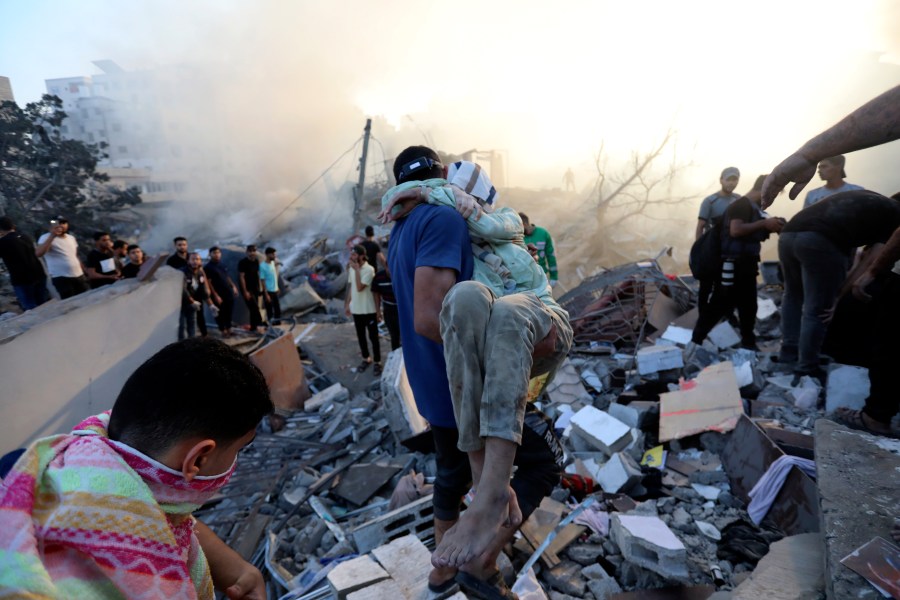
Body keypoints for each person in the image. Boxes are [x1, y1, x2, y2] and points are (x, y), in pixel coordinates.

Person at [381, 147, 569, 598]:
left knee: (451, 474)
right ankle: (481, 558)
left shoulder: (401, 227)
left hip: (432, 383)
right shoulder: (443, 221)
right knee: (546, 462)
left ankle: (442, 572)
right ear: (443, 175)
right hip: (462, 383)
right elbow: (431, 317)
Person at [0, 338, 272, 599]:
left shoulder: (32, 471)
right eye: (239, 449)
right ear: (198, 459)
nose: (235, 462)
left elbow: (164, 516)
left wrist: (237, 571)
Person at [777, 190, 900, 380]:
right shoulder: (895, 217)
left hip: (789, 234)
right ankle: (807, 368)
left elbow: (857, 254)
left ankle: (788, 356)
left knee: (793, 296)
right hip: (820, 240)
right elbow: (872, 263)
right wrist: (839, 297)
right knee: (818, 308)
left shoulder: (871, 202)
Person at [689, 176, 785, 350]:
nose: (773, 198)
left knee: (748, 306)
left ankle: (749, 344)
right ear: (766, 189)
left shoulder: (753, 207)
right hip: (733, 266)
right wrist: (764, 223)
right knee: (719, 304)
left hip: (746, 265)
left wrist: (771, 225)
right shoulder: (741, 205)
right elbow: (736, 230)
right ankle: (695, 342)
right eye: (774, 193)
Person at [344, 244, 381, 375]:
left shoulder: (369, 269)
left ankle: (377, 362)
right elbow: (352, 287)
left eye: (354, 255)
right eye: (351, 254)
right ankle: (366, 358)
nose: (351, 257)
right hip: (357, 309)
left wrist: (357, 270)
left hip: (369, 309)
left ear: (361, 256)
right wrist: (347, 304)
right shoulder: (352, 269)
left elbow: (360, 287)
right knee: (361, 337)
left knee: (373, 337)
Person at [0, 216, 50, 310]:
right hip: (38, 274)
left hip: (22, 280)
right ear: (12, 225)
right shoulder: (25, 237)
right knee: (43, 304)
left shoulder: (3, 242)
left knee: (30, 308)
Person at [36, 216, 89, 299]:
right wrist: (52, 236)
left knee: (86, 298)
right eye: (58, 223)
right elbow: (39, 253)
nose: (61, 226)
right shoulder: (45, 237)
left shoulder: (71, 238)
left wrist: (84, 270)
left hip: (78, 275)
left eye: (63, 223)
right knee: (71, 301)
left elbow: (74, 255)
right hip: (61, 277)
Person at [180, 252, 215, 340]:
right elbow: (182, 289)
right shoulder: (183, 272)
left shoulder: (200, 273)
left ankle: (192, 345)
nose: (195, 261)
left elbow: (203, 290)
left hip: (193, 304)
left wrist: (211, 305)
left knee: (192, 325)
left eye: (197, 259)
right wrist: (192, 301)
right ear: (188, 261)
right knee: (182, 327)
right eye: (193, 259)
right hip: (182, 304)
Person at [206, 246, 239, 336]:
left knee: (229, 310)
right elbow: (208, 283)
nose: (216, 255)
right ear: (210, 254)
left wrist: (233, 286)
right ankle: (222, 330)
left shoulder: (222, 264)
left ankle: (229, 329)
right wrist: (215, 295)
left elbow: (227, 276)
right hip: (217, 293)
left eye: (218, 253)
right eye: (214, 253)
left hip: (227, 291)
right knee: (220, 313)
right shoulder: (208, 267)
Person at [520, 212, 559, 287]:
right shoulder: (519, 238)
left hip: (543, 276)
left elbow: (551, 255)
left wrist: (554, 276)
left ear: (524, 224)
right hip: (527, 280)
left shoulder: (543, 233)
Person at [372, 267, 401, 350]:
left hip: (402, 309)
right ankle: (395, 354)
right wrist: (378, 311)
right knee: (394, 335)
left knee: (406, 335)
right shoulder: (379, 277)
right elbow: (376, 293)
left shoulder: (401, 274)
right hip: (389, 309)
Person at [238, 245, 265, 332]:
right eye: (250, 251)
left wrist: (260, 288)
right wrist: (245, 291)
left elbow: (257, 274)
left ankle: (253, 327)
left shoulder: (256, 261)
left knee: (253, 309)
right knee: (254, 307)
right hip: (247, 289)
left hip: (255, 288)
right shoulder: (242, 262)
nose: (252, 253)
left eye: (253, 251)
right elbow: (241, 277)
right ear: (246, 252)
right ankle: (261, 323)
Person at [259, 247, 281, 323]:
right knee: (269, 309)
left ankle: (277, 322)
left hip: (274, 289)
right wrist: (266, 294)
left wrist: (277, 287)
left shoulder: (272, 263)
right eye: (273, 254)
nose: (275, 256)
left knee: (277, 308)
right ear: (268, 255)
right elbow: (262, 280)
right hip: (268, 291)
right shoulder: (262, 266)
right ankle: (271, 324)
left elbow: (273, 276)